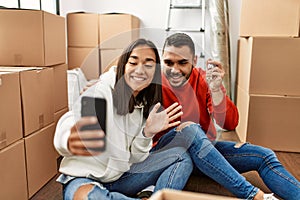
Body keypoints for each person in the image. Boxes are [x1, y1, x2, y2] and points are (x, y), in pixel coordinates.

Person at [149, 32, 300, 200]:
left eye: (182, 63)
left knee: (264, 155)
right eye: (168, 62)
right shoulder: (153, 83)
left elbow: (230, 124)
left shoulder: (205, 80)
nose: (174, 70)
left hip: (205, 151)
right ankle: (253, 195)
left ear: (194, 60)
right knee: (190, 131)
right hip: (170, 154)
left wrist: (215, 91)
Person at [54, 38, 194, 200]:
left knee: (180, 155)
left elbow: (135, 157)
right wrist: (68, 139)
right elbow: (71, 119)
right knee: (92, 198)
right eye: (133, 63)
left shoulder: (143, 105)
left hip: (120, 178)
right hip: (84, 179)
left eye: (148, 64)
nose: (140, 70)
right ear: (123, 66)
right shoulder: (101, 92)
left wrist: (146, 133)